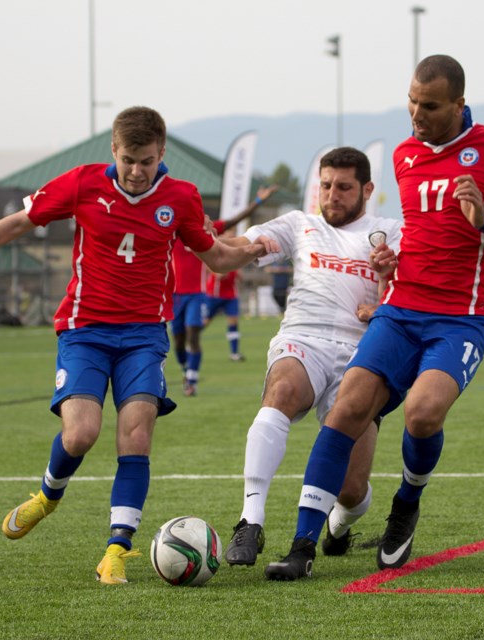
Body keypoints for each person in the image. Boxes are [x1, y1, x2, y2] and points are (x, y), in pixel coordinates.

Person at [0, 106, 276, 586]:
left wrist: (252, 249)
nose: (136, 171)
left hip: (144, 335)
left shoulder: (181, 197)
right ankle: (47, 496)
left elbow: (214, 257)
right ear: (114, 150)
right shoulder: (83, 183)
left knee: (136, 434)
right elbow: (19, 223)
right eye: (129, 159)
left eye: (146, 160)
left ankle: (116, 551)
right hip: (84, 329)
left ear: (161, 153)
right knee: (81, 434)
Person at [264, 54, 484, 581]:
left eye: (430, 106)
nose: (416, 114)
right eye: (411, 102)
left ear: (459, 104)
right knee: (346, 407)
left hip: (461, 317)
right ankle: (302, 541)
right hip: (401, 308)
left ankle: (407, 502)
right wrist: (392, 266)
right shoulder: (405, 154)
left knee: (421, 413)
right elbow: (420, 232)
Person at [220, 146, 402, 568]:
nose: (331, 195)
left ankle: (338, 527)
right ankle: (250, 521)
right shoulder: (298, 225)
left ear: (367, 189)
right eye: (325, 185)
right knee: (281, 390)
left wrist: (386, 300)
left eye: (343, 187)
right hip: (303, 338)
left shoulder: (390, 231)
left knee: (352, 490)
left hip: (364, 352)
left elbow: (418, 287)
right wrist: (239, 247)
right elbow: (226, 253)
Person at [172, 185, 276, 392]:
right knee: (178, 341)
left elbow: (233, 221)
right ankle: (185, 369)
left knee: (194, 334)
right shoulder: (173, 230)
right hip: (175, 296)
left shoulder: (203, 231)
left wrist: (258, 202)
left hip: (197, 294)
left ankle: (191, 382)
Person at [204, 185, 279, 362]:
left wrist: (259, 201)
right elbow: (208, 262)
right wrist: (216, 272)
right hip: (214, 292)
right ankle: (187, 344)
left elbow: (238, 221)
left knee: (233, 321)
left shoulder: (223, 235)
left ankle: (234, 353)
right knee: (200, 325)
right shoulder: (205, 236)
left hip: (230, 293)